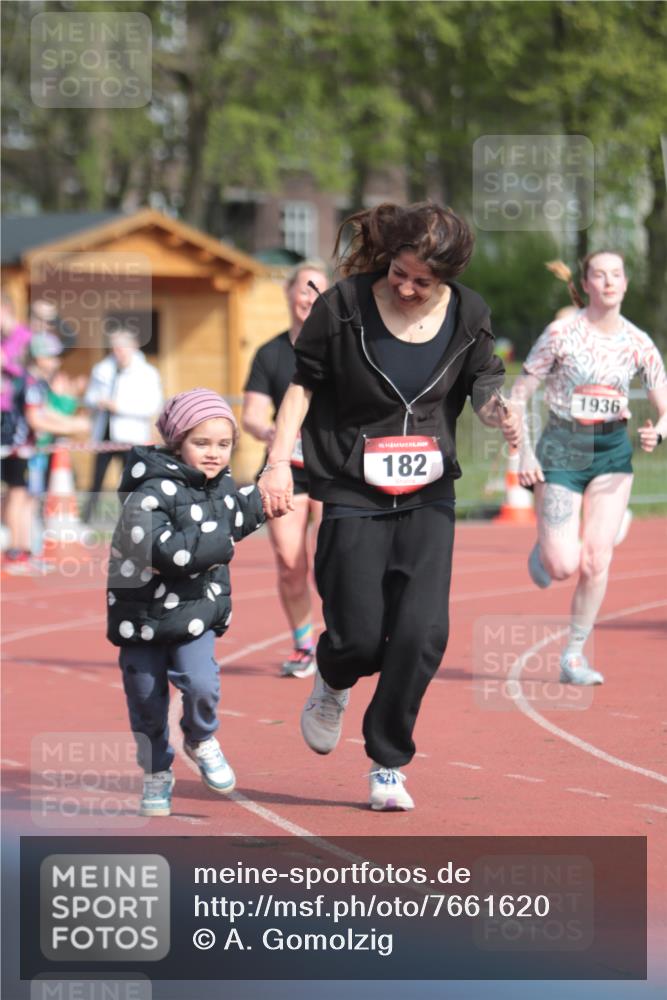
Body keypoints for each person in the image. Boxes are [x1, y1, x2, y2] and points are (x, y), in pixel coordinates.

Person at [258, 202, 521, 811]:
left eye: (421, 281)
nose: (406, 287)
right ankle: (332, 675)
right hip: (352, 483)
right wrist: (275, 463)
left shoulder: (469, 314)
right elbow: (303, 385)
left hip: (428, 490)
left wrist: (498, 413)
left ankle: (387, 761)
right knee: (356, 638)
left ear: (447, 280)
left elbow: (483, 383)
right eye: (399, 273)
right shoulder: (343, 305)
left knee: (424, 632)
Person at [106, 388, 264, 817]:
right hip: (140, 617)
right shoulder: (148, 491)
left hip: (195, 610)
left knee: (201, 684)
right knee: (145, 698)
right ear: (177, 442)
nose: (214, 454)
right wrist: (222, 539)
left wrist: (270, 493)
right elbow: (163, 551)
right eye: (202, 443)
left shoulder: (222, 487)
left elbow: (241, 512)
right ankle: (157, 770)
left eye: (223, 444)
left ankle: (200, 736)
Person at [512, 252, 667, 685]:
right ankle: (547, 549)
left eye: (616, 274)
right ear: (587, 283)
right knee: (562, 566)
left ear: (626, 283)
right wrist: (522, 453)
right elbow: (519, 394)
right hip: (562, 448)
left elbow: (663, 398)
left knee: (596, 561)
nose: (609, 281)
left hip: (612, 452)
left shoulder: (638, 341)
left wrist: (661, 429)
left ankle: (574, 655)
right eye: (600, 274)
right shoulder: (561, 333)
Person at [242, 260, 329, 678]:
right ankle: (304, 645)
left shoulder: (341, 348)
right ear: (289, 294)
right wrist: (271, 429)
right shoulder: (270, 353)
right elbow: (252, 415)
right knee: (290, 563)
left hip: (334, 472)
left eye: (319, 290)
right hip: (286, 471)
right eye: (304, 289)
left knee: (337, 563)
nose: (310, 297)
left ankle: (346, 640)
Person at [2, 332, 89, 575]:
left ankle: (26, 550)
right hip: (19, 448)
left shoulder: (37, 383)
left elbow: (47, 413)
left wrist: (71, 424)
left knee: (28, 499)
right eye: (52, 357)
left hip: (28, 448)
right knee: (19, 498)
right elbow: (36, 420)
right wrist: (73, 427)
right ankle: (16, 552)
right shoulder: (29, 382)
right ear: (39, 357)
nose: (56, 362)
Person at [82, 330, 163, 523]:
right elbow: (89, 397)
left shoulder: (147, 372)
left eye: (122, 348)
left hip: (130, 436)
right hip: (105, 433)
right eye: (115, 348)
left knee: (129, 481)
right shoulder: (101, 369)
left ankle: (131, 519)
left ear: (133, 347)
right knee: (97, 480)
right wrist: (98, 402)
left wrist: (119, 407)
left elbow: (152, 405)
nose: (118, 352)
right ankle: (86, 519)